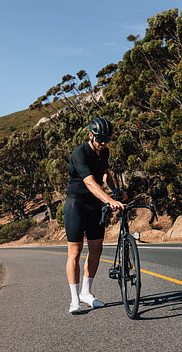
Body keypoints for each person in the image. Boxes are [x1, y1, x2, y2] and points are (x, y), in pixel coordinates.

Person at [63, 117, 127, 314]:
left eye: (107, 139)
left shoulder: (104, 151)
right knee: (75, 253)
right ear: (91, 135)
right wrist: (109, 200)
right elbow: (90, 182)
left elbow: (106, 173)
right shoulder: (79, 153)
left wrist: (116, 191)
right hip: (76, 204)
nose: (104, 143)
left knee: (96, 250)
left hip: (94, 205)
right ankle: (74, 299)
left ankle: (86, 293)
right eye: (100, 139)